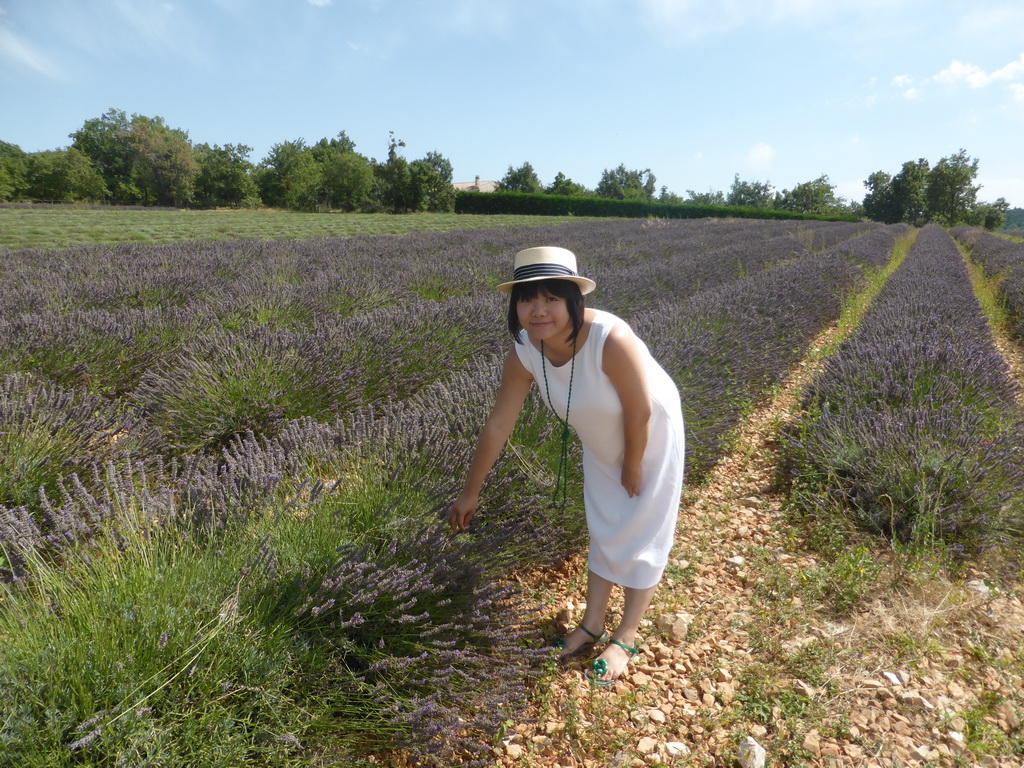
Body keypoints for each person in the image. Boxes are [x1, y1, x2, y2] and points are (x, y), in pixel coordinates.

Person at [448, 246, 686, 685]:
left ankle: (626, 634)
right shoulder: (524, 351)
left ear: (573, 300)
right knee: (604, 523)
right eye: (526, 298)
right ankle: (592, 623)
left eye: (551, 298)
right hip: (598, 439)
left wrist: (632, 464)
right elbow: (499, 425)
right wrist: (471, 490)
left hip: (650, 436)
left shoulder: (611, 339)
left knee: (643, 528)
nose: (538, 310)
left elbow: (641, 412)